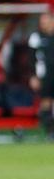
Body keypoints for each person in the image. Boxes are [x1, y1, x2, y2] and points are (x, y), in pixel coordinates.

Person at [28, 11, 54, 139]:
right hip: (45, 74)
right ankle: (48, 132)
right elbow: (31, 58)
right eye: (41, 22)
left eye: (46, 21)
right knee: (46, 101)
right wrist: (33, 76)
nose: (43, 24)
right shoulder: (36, 37)